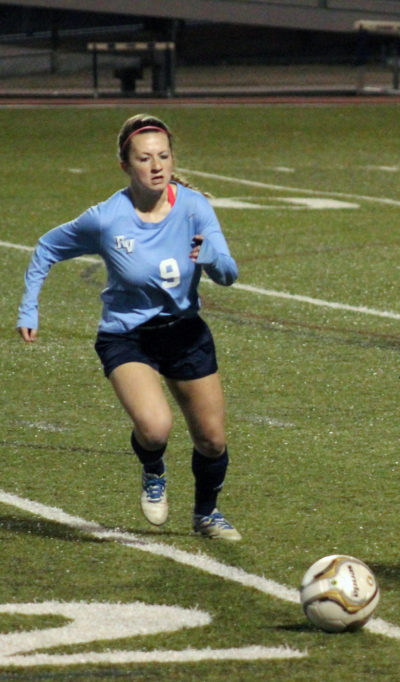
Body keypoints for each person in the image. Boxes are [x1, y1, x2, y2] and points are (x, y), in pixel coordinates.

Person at [16, 113, 244, 540]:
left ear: (173, 159)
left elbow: (229, 274)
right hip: (128, 337)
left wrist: (212, 257)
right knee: (156, 428)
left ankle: (206, 515)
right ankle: (153, 468)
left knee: (212, 441)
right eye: (144, 158)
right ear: (126, 165)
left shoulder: (195, 208)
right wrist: (29, 308)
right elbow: (47, 247)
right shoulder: (106, 218)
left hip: (185, 333)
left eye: (163, 156)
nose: (156, 166)